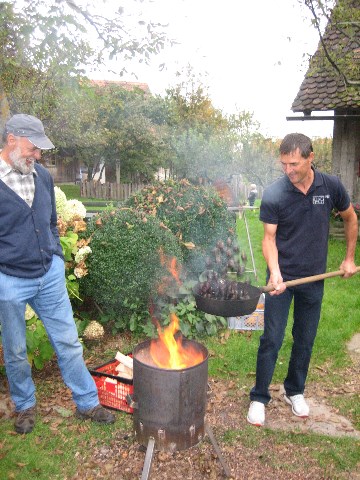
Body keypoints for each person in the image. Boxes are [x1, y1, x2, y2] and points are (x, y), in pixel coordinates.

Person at [0, 114, 115, 434]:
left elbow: (51, 221)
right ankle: (24, 406)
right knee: (16, 350)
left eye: (39, 150)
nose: (38, 156)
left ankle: (87, 402)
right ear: (12, 140)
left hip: (48, 275)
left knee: (68, 342)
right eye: (33, 148)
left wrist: (55, 255)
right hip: (9, 280)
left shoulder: (43, 178)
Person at [247, 133, 358, 427]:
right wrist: (275, 272)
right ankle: (259, 397)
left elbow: (350, 217)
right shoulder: (275, 192)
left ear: (310, 158)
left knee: (305, 339)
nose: (288, 170)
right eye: (284, 164)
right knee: (271, 338)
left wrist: (348, 258)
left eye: (294, 163)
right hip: (281, 281)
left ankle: (294, 390)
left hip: (314, 278)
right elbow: (268, 238)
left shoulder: (330, 186)